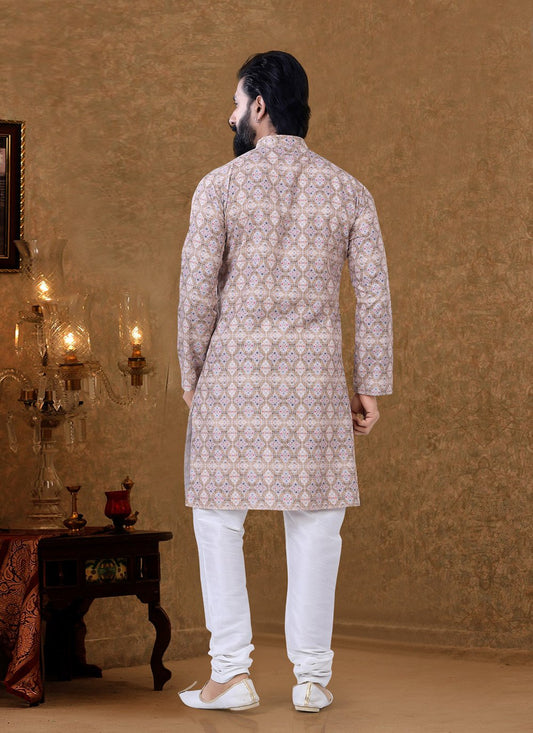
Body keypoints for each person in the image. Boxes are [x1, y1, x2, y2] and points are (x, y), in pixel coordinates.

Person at [177, 50, 393, 713]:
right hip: (314, 386)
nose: (230, 115)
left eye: (235, 102)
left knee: (218, 522)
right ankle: (311, 679)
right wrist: (369, 384)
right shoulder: (348, 190)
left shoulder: (219, 186)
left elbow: (197, 294)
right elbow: (374, 295)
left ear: (260, 106)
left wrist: (191, 374)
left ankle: (230, 674)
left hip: (231, 381)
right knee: (317, 529)